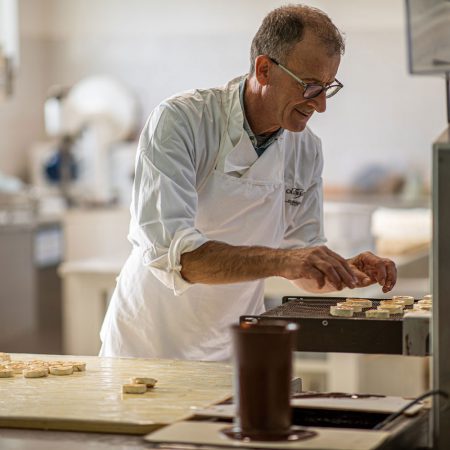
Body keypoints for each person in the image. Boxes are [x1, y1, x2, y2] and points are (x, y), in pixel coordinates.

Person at [100, 4, 397, 361]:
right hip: (147, 344)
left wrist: (342, 271)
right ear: (264, 69)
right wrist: (283, 261)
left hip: (228, 347)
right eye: (310, 87)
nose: (320, 106)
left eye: (327, 88)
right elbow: (178, 259)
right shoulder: (181, 123)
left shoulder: (305, 150)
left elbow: (301, 265)